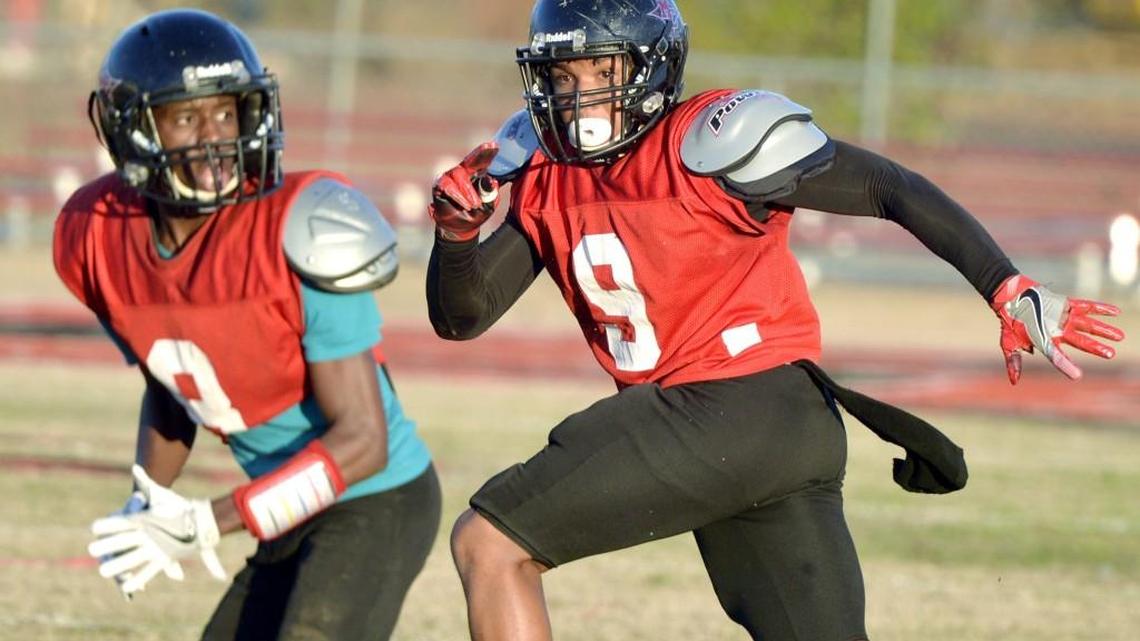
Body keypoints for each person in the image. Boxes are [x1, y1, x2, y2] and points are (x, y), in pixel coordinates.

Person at [425, 1, 1126, 640]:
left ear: (649, 65)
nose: (578, 95)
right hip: (783, 431)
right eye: (562, 75)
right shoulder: (545, 170)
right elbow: (464, 316)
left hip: (730, 407)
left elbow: (888, 185)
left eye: (598, 70)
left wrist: (1005, 285)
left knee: (490, 545)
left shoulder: (707, 140)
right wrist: (457, 237)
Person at [55, 9, 440, 640]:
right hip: (284, 507)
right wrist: (148, 497)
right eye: (186, 116)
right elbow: (172, 390)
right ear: (132, 129)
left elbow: (364, 443)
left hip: (376, 500)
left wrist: (211, 521)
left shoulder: (301, 227)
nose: (214, 137)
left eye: (227, 112)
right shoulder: (95, 235)